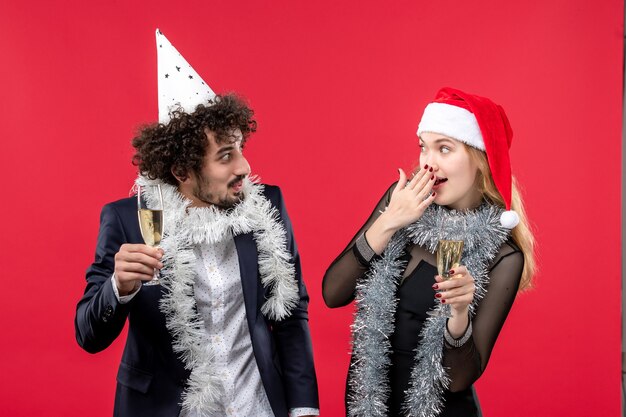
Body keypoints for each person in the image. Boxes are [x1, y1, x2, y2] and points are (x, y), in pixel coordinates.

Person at [75, 30, 318, 417]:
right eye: (225, 156)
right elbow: (88, 336)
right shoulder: (128, 219)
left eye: (240, 147)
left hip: (255, 405)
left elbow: (290, 316)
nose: (244, 167)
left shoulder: (266, 206)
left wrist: (304, 408)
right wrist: (117, 288)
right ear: (182, 171)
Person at [322, 87, 535, 417]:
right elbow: (333, 293)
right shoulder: (401, 201)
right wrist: (389, 221)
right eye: (424, 147)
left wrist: (460, 314)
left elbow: (459, 379)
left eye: (444, 148)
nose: (428, 163)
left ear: (481, 160)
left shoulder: (503, 255)